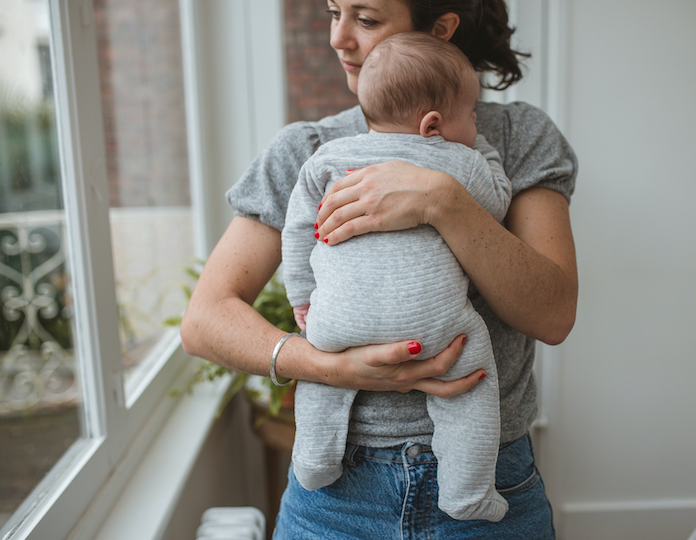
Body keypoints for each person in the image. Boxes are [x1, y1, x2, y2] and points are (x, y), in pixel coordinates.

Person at [180, 0, 578, 538]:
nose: (338, 38)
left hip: (491, 480)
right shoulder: (307, 149)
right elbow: (204, 320)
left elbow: (552, 315)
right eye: (333, 12)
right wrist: (329, 367)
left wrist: (442, 200)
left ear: (440, 29)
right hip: (334, 499)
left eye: (365, 19)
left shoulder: (513, 136)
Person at [282, 31, 512, 522]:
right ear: (433, 125)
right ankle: (467, 490)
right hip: (434, 326)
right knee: (472, 387)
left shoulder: (325, 158)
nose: (475, 125)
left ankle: (314, 461)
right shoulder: (461, 161)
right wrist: (484, 154)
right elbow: (497, 202)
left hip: (338, 321)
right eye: (471, 116)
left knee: (322, 380)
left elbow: (298, 228)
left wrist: (301, 295)